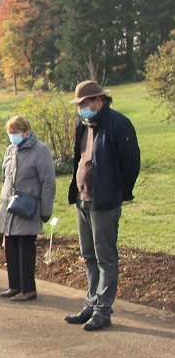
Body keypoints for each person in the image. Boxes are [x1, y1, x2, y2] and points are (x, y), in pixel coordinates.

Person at [65, 80, 141, 331]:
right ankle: (91, 302)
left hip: (104, 202)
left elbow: (131, 163)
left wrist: (119, 192)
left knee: (105, 258)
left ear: (98, 100)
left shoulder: (118, 123)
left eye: (83, 104)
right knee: (88, 255)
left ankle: (103, 310)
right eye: (78, 105)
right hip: (82, 200)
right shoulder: (83, 124)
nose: (80, 109)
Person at [0, 116, 57, 301]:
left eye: (14, 133)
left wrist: (46, 210)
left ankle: (28, 289)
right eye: (9, 133)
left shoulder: (41, 151)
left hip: (28, 207)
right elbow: (5, 177)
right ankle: (15, 286)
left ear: (26, 132)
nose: (11, 137)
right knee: (11, 249)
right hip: (9, 208)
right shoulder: (10, 150)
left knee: (25, 249)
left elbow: (48, 182)